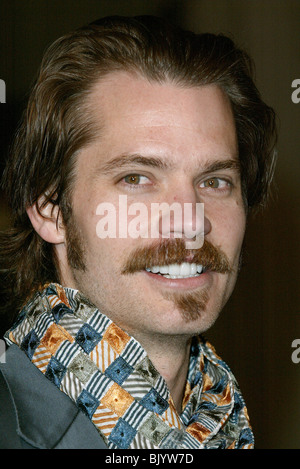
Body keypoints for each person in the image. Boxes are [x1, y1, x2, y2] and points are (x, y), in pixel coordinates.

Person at [0, 15, 277, 449]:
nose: (189, 221)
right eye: (137, 178)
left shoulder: (226, 424)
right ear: (50, 208)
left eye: (215, 181)